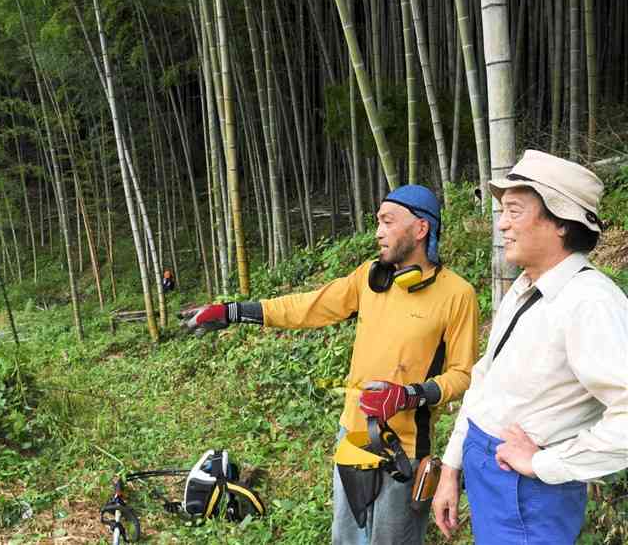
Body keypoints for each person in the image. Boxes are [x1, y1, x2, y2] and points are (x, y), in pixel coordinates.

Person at [182, 185, 479, 545]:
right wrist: (233, 311)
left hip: (407, 450)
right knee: (345, 539)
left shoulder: (457, 294)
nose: (378, 231)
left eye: (388, 221)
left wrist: (411, 395)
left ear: (421, 228)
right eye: (377, 222)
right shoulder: (369, 279)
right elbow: (306, 307)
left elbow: (463, 374)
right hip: (352, 436)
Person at [433, 150, 628, 545]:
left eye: (515, 211)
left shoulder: (590, 301)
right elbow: (485, 378)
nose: (501, 224)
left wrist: (545, 463)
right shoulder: (525, 288)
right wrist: (452, 466)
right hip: (490, 471)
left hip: (527, 492)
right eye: (502, 211)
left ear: (560, 221)